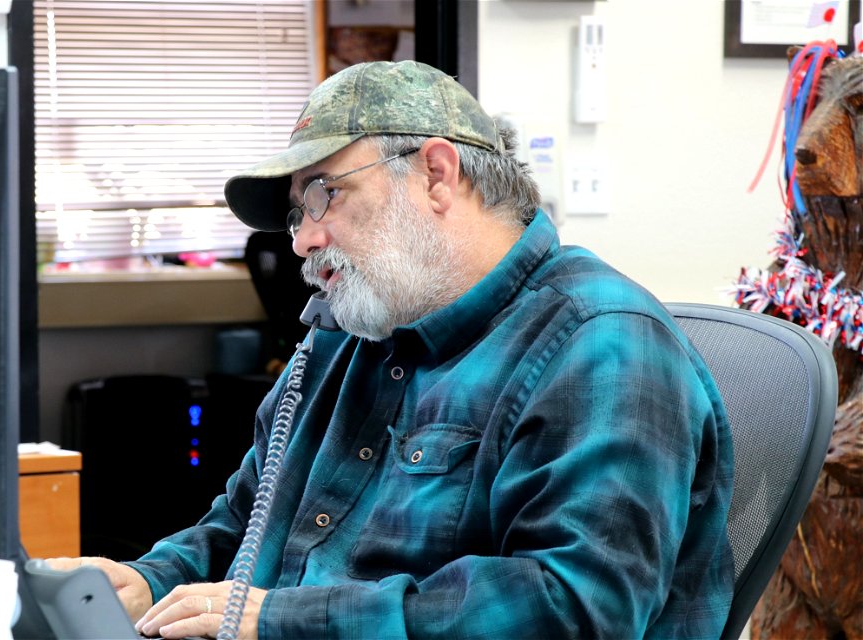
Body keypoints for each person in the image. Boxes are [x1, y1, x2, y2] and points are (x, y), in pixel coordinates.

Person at [49, 60, 735, 639]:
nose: (302, 240)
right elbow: (249, 520)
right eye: (297, 212)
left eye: (324, 194)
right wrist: (148, 581)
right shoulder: (357, 328)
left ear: (437, 174)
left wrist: (285, 620)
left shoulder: (603, 342)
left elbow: (578, 607)